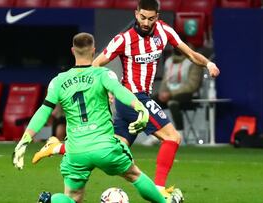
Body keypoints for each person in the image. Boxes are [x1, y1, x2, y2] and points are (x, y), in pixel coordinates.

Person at [32, 0, 220, 196]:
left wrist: (207, 64)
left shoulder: (165, 31)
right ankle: (159, 189)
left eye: (151, 18)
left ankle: (57, 147)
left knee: (114, 147)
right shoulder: (123, 39)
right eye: (143, 17)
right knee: (172, 137)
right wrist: (104, 89)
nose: (146, 23)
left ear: (158, 16)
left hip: (137, 99)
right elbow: (95, 65)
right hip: (132, 98)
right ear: (136, 13)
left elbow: (189, 53)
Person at [12, 33, 183, 203]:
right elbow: (120, 91)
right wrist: (140, 108)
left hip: (75, 151)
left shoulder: (58, 81)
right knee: (134, 175)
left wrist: (25, 139)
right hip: (105, 148)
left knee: (72, 198)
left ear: (73, 51)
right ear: (94, 51)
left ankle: (49, 200)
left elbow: (44, 111)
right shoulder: (103, 74)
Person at [154, 47, 204, 144]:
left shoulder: (192, 60)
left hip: (187, 95)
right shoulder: (169, 61)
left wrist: (171, 94)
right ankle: (156, 135)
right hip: (168, 93)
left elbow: (192, 85)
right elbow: (165, 80)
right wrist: (162, 93)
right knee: (151, 103)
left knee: (173, 103)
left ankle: (179, 136)